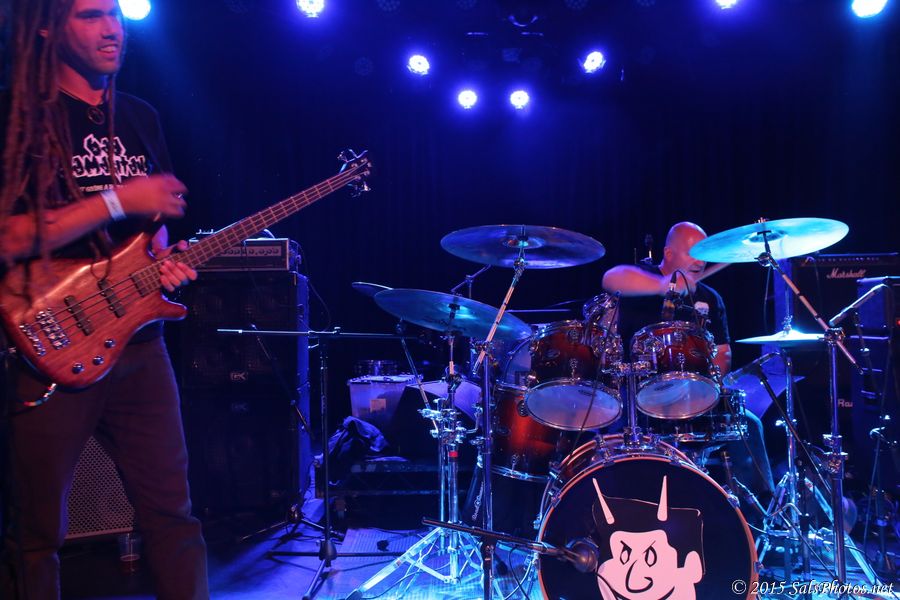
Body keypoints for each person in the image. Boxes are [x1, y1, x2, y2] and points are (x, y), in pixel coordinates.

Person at [0, 1, 208, 598]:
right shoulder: (21, 116)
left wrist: (167, 263)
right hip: (48, 338)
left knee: (173, 514)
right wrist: (116, 200)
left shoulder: (140, 116)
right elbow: (9, 236)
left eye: (115, 13)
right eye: (90, 15)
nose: (112, 27)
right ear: (47, 25)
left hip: (140, 344)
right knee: (35, 533)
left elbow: (155, 231)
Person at [602, 222, 775, 509]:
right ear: (669, 254)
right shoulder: (641, 280)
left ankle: (758, 516)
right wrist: (664, 286)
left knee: (749, 424)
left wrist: (710, 387)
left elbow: (723, 353)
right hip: (639, 398)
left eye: (703, 254)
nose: (699, 261)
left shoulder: (709, 297)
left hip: (696, 397)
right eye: (692, 253)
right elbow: (611, 278)